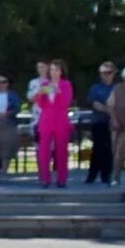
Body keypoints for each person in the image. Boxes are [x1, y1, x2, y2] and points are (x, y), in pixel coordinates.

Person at [33, 60, 74, 189]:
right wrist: (40, 94)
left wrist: (58, 91)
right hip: (46, 120)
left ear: (61, 71)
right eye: (52, 70)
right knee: (44, 150)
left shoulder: (66, 84)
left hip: (61, 120)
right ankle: (45, 179)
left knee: (61, 151)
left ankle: (62, 179)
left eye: (57, 70)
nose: (54, 72)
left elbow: (65, 103)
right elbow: (41, 104)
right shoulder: (45, 84)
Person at [85, 61, 116, 184]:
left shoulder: (117, 88)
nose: (106, 75)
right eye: (103, 73)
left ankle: (106, 175)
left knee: (109, 149)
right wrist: (108, 109)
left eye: (108, 72)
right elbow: (94, 103)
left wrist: (110, 111)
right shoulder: (95, 88)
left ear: (113, 73)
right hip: (99, 122)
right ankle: (92, 175)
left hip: (113, 123)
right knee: (97, 148)